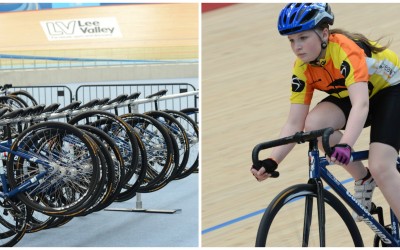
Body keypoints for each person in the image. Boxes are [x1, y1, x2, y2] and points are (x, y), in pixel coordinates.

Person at [250, 2, 400, 222]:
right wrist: (273, 160)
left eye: (303, 38)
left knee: (380, 165)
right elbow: (294, 123)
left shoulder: (345, 51)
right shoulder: (302, 68)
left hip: (390, 91)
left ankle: (376, 174)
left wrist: (346, 144)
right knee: (314, 125)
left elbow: (361, 105)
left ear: (324, 33)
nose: (297, 46)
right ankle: (363, 178)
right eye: (291, 40)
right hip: (353, 95)